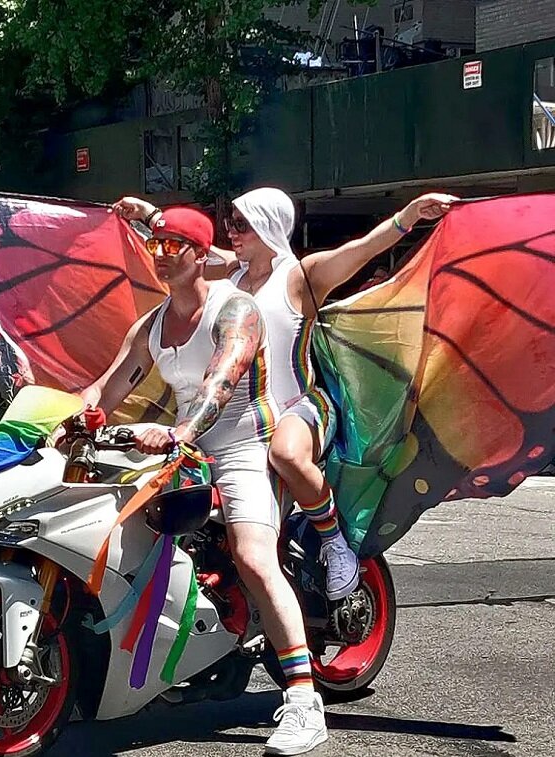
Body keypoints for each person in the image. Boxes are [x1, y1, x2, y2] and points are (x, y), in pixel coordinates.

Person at [115, 189, 456, 600]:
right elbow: (187, 240)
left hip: (299, 407)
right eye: (230, 223)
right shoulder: (233, 275)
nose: (231, 232)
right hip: (238, 417)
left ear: (267, 225)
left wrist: (410, 214)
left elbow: (364, 249)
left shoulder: (301, 276)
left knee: (286, 453)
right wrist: (147, 214)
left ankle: (334, 542)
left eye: (241, 224)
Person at [82, 206, 328, 757]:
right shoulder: (152, 325)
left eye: (176, 246)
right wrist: (65, 419)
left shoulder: (235, 308)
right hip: (184, 446)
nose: (163, 254)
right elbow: (107, 386)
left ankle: (303, 700)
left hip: (244, 444)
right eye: (157, 245)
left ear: (200, 254)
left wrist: (180, 432)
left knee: (253, 556)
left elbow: (221, 381)